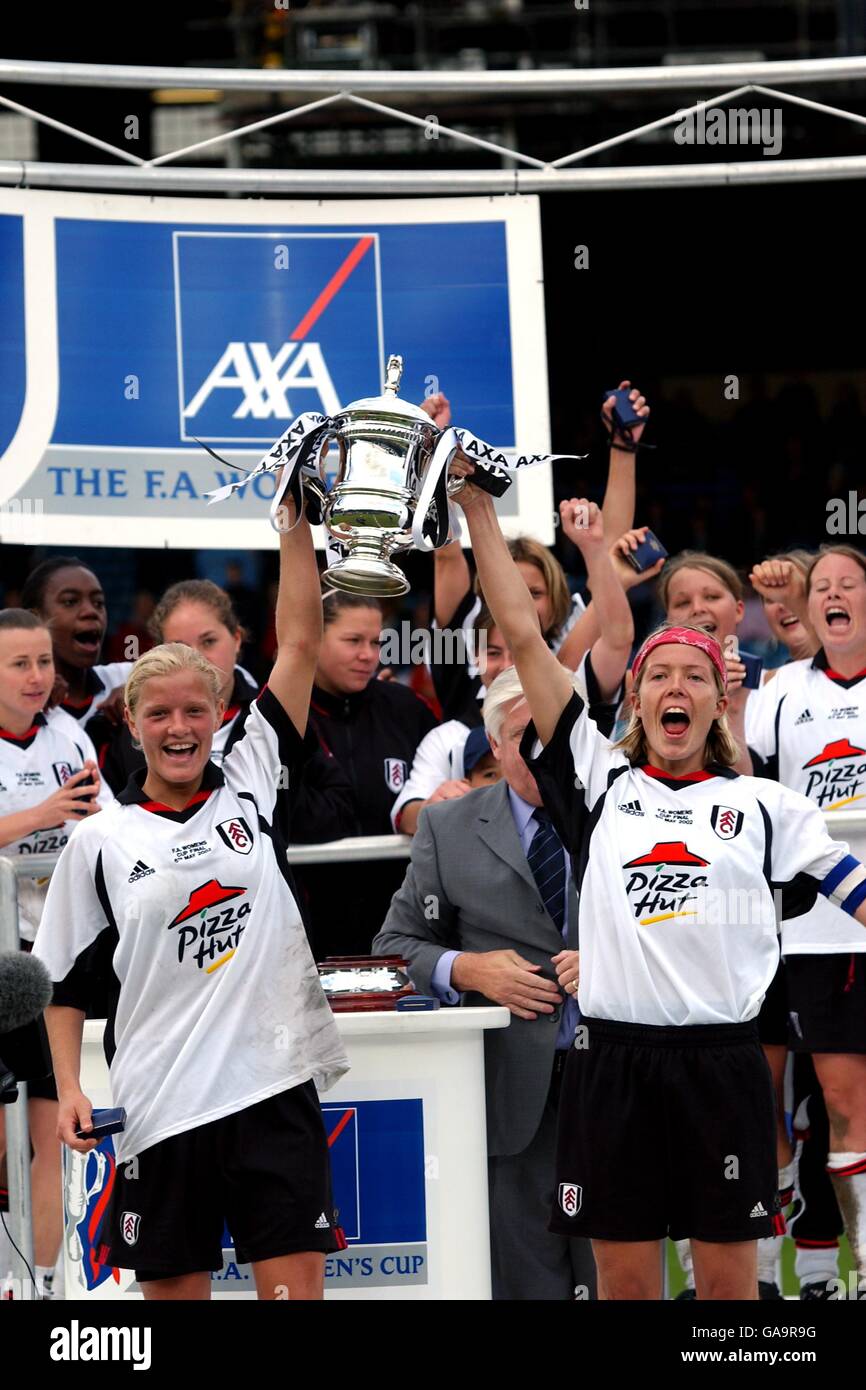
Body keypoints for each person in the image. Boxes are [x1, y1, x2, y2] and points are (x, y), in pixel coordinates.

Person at [454, 477, 866, 1300]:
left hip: (725, 1067)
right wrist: (477, 511)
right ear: (635, 698)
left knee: (725, 1291)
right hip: (613, 1066)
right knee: (629, 1285)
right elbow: (523, 639)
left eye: (695, 676)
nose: (676, 687)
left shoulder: (765, 805)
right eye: (659, 675)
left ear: (719, 701)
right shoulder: (596, 780)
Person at [33, 491, 349, 1301]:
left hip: (273, 1088)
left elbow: (304, 639)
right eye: (160, 714)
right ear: (132, 723)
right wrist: (71, 1088)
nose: (180, 728)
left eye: (195, 711)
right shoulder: (101, 839)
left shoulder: (249, 779)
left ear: (219, 715)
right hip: (161, 1107)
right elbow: (61, 984)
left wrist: (293, 521)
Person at [374, 669, 606, 1299]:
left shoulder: (626, 810)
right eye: (524, 735)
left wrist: (611, 963)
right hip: (510, 1088)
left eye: (556, 733)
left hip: (616, 1080)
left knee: (621, 1279)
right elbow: (395, 946)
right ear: (495, 744)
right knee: (526, 1278)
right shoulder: (448, 829)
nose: (541, 749)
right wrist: (468, 971)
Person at [744, 542, 866, 1295]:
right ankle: (833, 1267)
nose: (833, 593)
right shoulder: (783, 687)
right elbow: (741, 778)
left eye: (849, 583)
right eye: (822, 586)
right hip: (818, 928)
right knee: (839, 1107)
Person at [0, 607, 110, 1299]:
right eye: (19, 663)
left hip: (57, 963)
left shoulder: (71, 737)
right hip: (0, 960)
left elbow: (98, 831)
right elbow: (42, 823)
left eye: (45, 662)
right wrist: (40, 816)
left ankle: (40, 1285)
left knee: (47, 1134)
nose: (38, 676)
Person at [99, 578, 355, 847]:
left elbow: (340, 808)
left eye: (208, 641)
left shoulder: (272, 717)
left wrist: (260, 806)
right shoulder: (127, 729)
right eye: (179, 646)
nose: (195, 658)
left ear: (236, 639)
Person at [298, 589, 438, 957]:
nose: (368, 655)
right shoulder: (283, 717)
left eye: (376, 642)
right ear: (313, 636)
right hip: (310, 927)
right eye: (352, 641)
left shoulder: (407, 710)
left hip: (404, 925)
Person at [20, 557, 131, 735]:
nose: (91, 612)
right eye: (70, 602)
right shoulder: (11, 702)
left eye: (98, 603)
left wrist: (141, 689)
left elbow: (186, 669)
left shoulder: (125, 677)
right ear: (35, 619)